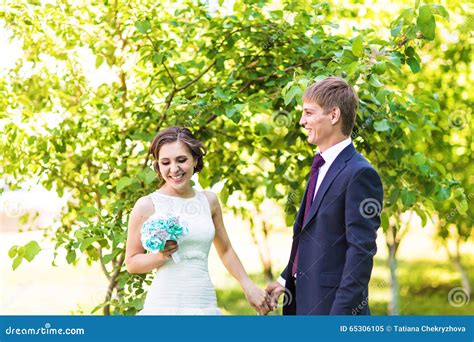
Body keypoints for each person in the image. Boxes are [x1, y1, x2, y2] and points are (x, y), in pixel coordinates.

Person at [266, 76, 384, 315]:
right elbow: (315, 237)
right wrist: (284, 279)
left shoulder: (360, 174)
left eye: (309, 113)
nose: (302, 121)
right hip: (304, 303)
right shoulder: (322, 165)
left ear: (333, 115)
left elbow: (360, 255)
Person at [125, 126, 271, 315]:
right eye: (165, 162)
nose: (174, 169)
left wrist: (248, 285)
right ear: (158, 166)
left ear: (195, 159)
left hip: (204, 301)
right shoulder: (146, 205)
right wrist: (160, 256)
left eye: (181, 160)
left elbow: (225, 250)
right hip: (164, 305)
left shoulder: (209, 201)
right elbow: (131, 262)